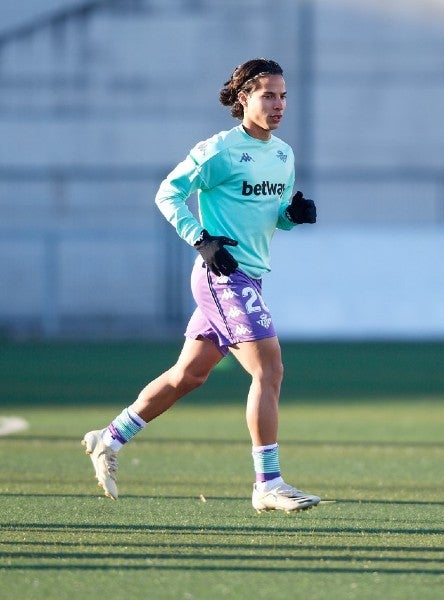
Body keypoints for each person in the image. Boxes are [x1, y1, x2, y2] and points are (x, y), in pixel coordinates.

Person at [82, 58, 322, 513]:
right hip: (222, 277)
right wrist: (201, 239)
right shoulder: (219, 150)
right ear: (244, 99)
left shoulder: (284, 154)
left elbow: (274, 218)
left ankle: (110, 437)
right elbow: (168, 193)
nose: (278, 104)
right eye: (268, 95)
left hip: (249, 276)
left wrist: (293, 216)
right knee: (268, 369)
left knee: (188, 375)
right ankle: (267, 484)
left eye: (283, 95)